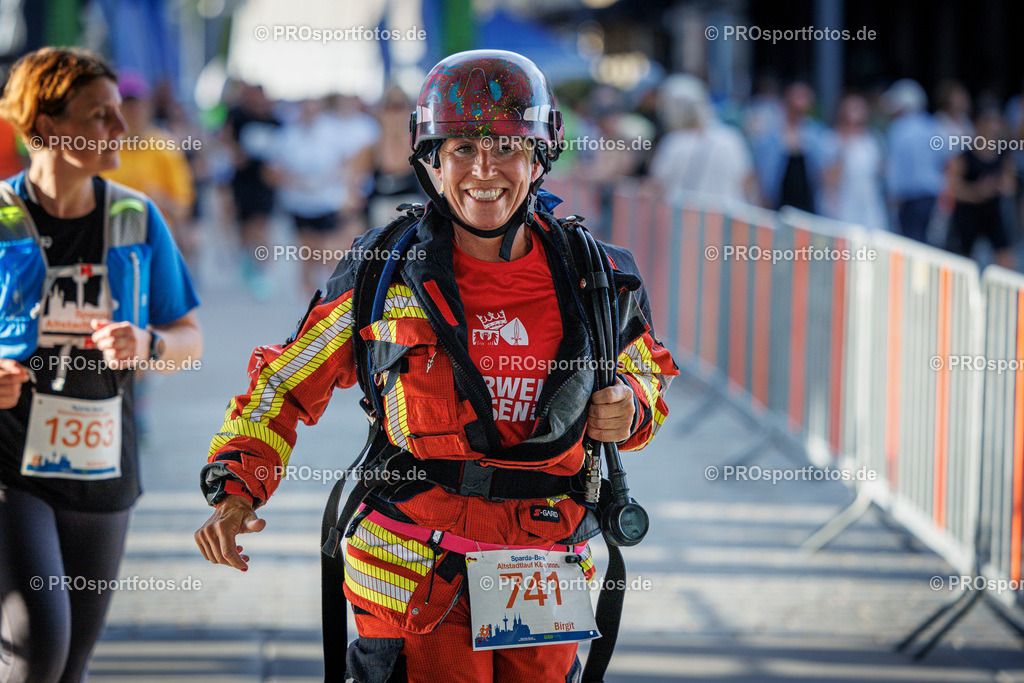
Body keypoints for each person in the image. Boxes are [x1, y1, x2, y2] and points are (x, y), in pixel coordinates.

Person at [194, 49, 677, 682]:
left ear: (540, 157)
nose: (484, 170)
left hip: (547, 571)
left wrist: (631, 406)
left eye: (506, 147)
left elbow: (646, 379)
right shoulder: (381, 273)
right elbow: (283, 384)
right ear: (430, 160)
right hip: (412, 579)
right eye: (461, 149)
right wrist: (235, 492)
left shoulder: (598, 276)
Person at [0, 48, 201, 682]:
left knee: (72, 664)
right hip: (9, 467)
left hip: (102, 466)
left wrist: (151, 348)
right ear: (49, 124)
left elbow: (190, 337)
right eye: (101, 115)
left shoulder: (136, 218)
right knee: (40, 644)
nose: (122, 129)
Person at [649, 73, 757, 205]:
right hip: (729, 220)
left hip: (684, 220)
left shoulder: (673, 142)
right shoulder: (730, 137)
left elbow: (657, 185)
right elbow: (748, 182)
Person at [943, 108, 1017, 268]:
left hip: (993, 213)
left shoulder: (1003, 155)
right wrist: (977, 191)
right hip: (968, 214)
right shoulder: (965, 156)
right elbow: (953, 188)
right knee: (963, 261)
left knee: (1006, 258)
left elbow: (1010, 184)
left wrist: (999, 186)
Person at [751, 82, 837, 212]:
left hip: (810, 207)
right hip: (778, 207)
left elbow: (828, 172)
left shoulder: (817, 136)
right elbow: (761, 176)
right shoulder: (770, 138)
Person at [884, 78, 950, 243]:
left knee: (911, 244)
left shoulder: (898, 128)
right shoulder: (932, 125)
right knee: (929, 243)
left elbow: (893, 167)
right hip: (932, 195)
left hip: (909, 198)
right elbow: (944, 160)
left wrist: (891, 195)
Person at [823, 93, 887, 230]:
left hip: (869, 204)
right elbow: (829, 177)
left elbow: (879, 171)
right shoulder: (833, 139)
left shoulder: (872, 140)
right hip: (844, 204)